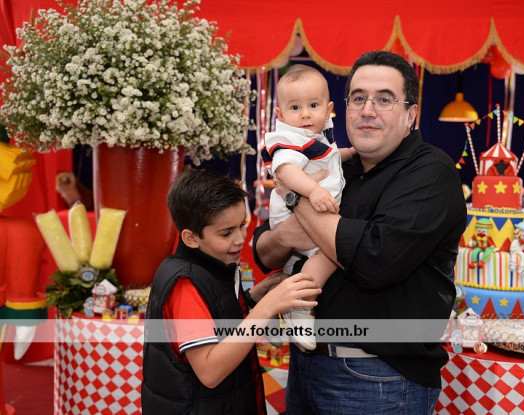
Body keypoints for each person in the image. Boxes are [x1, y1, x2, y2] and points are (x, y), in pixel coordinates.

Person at [253, 51, 467, 413]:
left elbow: (373, 261)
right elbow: (264, 251)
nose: (367, 110)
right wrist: (288, 231)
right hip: (305, 365)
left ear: (410, 114)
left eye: (384, 99)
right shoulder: (336, 164)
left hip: (377, 378)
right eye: (358, 98)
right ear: (344, 108)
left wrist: (294, 194)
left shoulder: (430, 173)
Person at [141, 169, 321, 414]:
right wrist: (267, 307)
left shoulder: (209, 265)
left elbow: (216, 317)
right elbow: (210, 372)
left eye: (242, 226)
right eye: (226, 233)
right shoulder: (186, 284)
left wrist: (255, 297)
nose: (240, 239)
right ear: (191, 238)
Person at [261, 64, 355, 350]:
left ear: (328, 110)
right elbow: (286, 171)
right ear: (280, 115)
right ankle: (300, 307)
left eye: (313, 105)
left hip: (308, 213)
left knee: (302, 264)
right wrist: (312, 191)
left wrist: (350, 153)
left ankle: (283, 300)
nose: (304, 114)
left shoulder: (315, 137)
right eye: (295, 107)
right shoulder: (289, 139)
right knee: (329, 254)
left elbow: (326, 158)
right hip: (295, 213)